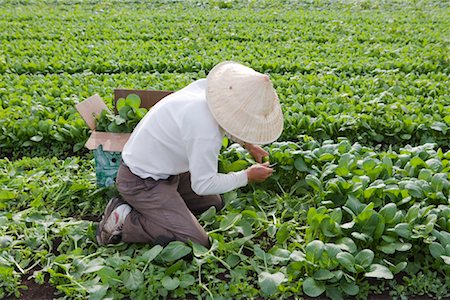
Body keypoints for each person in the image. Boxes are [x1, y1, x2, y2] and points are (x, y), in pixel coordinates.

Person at [96, 61, 284, 247]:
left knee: (213, 204)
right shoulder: (205, 131)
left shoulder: (206, 91)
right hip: (141, 182)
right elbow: (203, 184)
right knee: (195, 240)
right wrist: (246, 176)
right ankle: (123, 220)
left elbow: (226, 117)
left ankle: (164, 209)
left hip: (167, 171)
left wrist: (248, 145)